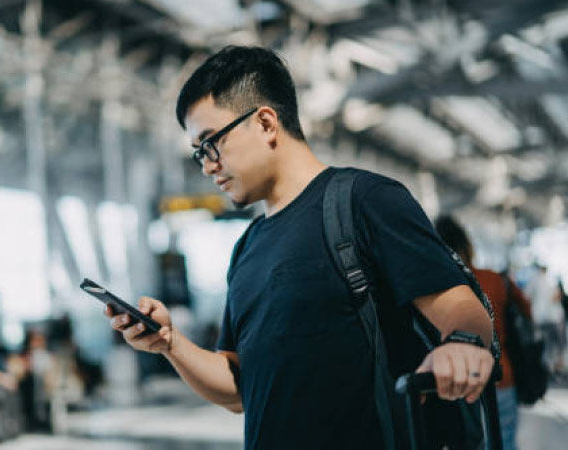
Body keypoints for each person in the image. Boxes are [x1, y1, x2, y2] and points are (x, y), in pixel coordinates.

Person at [104, 46, 495, 449]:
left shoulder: (365, 201)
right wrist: (169, 342)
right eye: (198, 153)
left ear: (266, 122)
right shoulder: (248, 248)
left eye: (211, 144)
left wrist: (461, 347)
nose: (207, 166)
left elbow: (463, 309)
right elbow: (239, 388)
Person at [435, 215, 532, 450]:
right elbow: (526, 312)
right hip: (500, 375)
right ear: (467, 245)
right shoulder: (495, 279)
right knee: (505, 442)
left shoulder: (435, 289)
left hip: (454, 382)